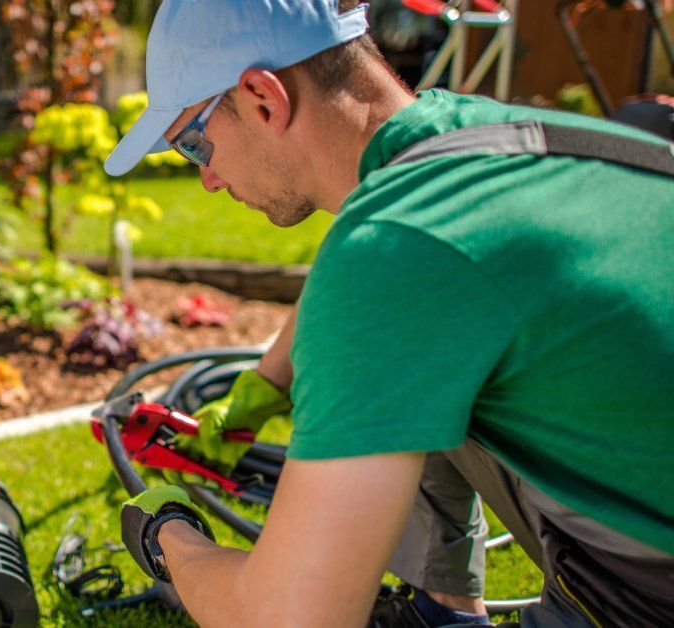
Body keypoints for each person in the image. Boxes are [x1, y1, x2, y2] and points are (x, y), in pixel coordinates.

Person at [105, 1, 674, 626]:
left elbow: (286, 618)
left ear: (264, 97)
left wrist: (167, 535)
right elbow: (389, 276)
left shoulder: (398, 249)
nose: (208, 178)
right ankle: (443, 608)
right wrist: (264, 387)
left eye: (194, 143)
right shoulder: (468, 138)